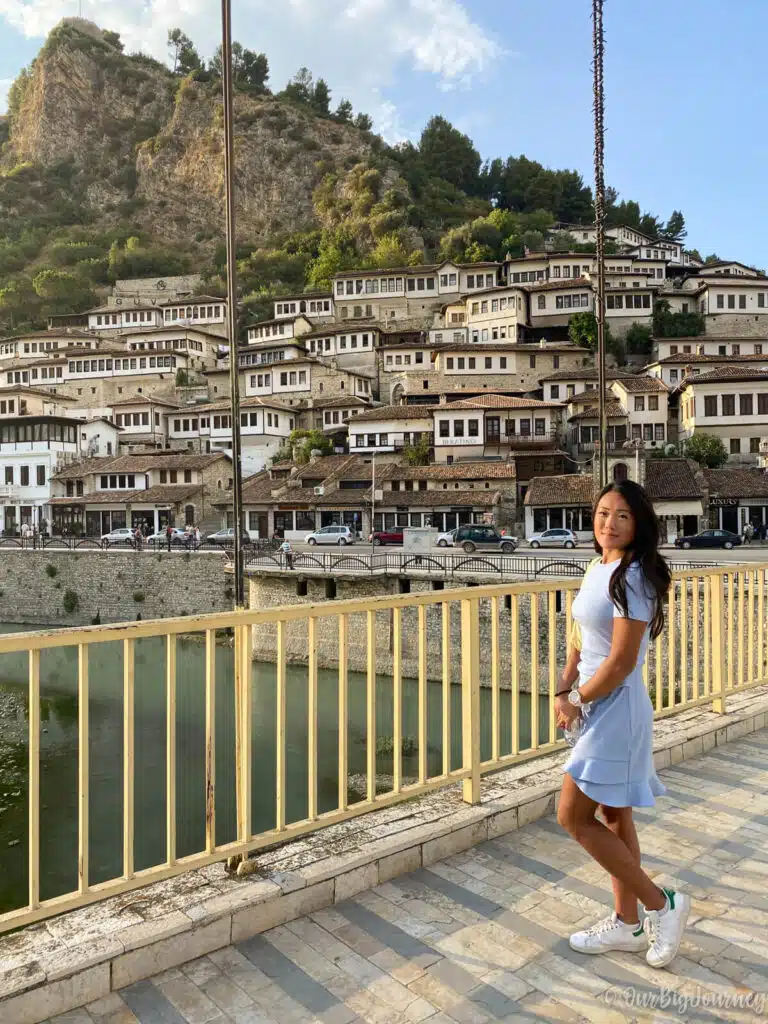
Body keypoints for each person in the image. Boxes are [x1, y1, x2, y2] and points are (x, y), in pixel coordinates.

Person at [555, 480, 690, 970]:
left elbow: (622, 662)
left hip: (616, 709)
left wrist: (577, 698)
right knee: (615, 817)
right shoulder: (599, 566)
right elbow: (580, 637)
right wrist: (563, 684)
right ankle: (627, 924)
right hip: (592, 704)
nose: (608, 523)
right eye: (602, 513)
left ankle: (661, 905)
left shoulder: (633, 577)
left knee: (571, 815)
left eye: (622, 517)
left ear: (639, 527)